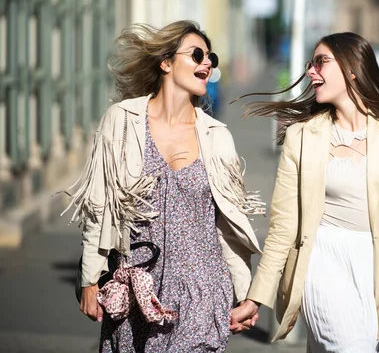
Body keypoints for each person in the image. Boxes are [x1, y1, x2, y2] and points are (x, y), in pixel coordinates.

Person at [63, 20, 263, 352]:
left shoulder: (217, 137)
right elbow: (99, 206)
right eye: (197, 54)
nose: (207, 63)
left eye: (210, 57)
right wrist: (89, 278)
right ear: (166, 62)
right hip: (136, 291)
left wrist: (246, 295)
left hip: (202, 289)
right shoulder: (122, 120)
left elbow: (229, 226)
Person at [230, 32, 379, 352]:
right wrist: (257, 297)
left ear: (351, 68)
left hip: (375, 271)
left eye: (321, 62)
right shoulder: (302, 136)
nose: (311, 71)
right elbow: (283, 226)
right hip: (320, 261)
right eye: (310, 63)